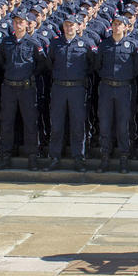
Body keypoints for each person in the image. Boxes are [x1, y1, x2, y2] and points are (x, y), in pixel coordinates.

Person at [0, 12, 48, 171]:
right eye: (16, 22)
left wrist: (29, 76)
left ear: (27, 24)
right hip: (9, 87)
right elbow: (2, 62)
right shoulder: (6, 42)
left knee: (30, 123)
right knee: (6, 122)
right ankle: (5, 155)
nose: (18, 25)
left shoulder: (34, 42)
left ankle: (32, 156)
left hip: (27, 88)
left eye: (21, 22)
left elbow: (42, 64)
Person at [45, 14, 96, 172]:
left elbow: (93, 64)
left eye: (72, 25)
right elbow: (49, 63)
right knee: (57, 124)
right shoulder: (55, 44)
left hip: (77, 89)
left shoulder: (86, 44)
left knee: (78, 124)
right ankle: (54, 157)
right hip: (59, 88)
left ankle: (78, 158)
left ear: (78, 26)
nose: (69, 28)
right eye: (66, 25)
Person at [94, 16, 138, 173]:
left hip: (124, 88)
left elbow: (137, 68)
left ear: (126, 27)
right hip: (107, 88)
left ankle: (124, 157)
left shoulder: (133, 45)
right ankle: (105, 157)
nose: (116, 27)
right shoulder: (104, 45)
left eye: (120, 24)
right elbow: (98, 65)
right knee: (105, 124)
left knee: (123, 125)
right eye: (114, 24)